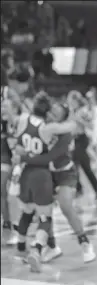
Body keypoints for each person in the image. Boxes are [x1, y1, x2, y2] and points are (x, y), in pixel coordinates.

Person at [8, 92, 86, 272]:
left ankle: (21, 248)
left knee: (26, 212)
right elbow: (70, 127)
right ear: (47, 111)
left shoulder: (23, 119)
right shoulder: (47, 128)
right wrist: (76, 117)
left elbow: (16, 141)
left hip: (23, 173)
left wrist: (18, 153)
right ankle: (36, 249)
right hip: (41, 174)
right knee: (45, 216)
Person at [1, 67, 20, 245]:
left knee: (14, 195)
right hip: (10, 156)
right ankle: (10, 227)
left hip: (19, 159)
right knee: (7, 194)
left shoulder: (21, 122)